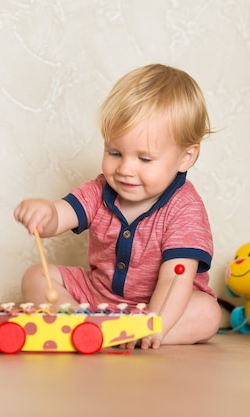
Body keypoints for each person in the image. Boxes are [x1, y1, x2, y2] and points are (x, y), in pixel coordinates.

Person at [13, 64, 220, 348]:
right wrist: (45, 213)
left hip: (162, 305)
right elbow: (62, 215)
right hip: (99, 300)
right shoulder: (100, 191)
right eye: (115, 153)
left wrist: (154, 323)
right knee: (37, 276)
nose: (125, 169)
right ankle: (79, 324)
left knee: (208, 313)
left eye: (144, 159)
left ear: (185, 157)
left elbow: (177, 276)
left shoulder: (184, 207)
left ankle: (138, 334)